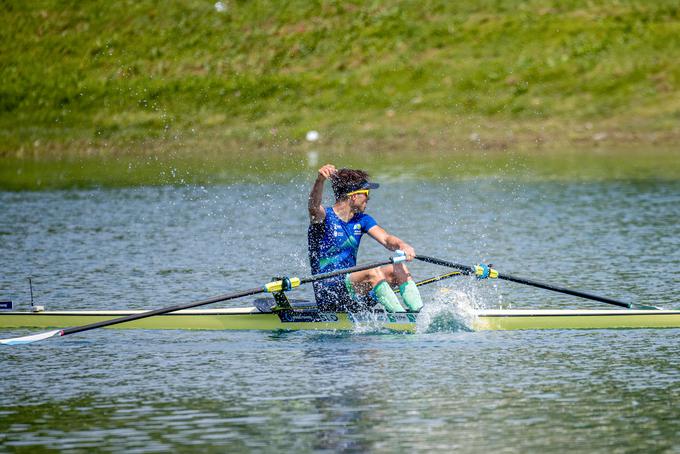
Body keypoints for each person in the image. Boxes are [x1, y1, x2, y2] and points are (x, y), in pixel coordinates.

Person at [307, 164, 423, 313]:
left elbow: (387, 239)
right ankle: (402, 319)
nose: (368, 198)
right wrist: (320, 181)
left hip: (352, 292)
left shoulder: (362, 220)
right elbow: (313, 207)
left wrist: (403, 246)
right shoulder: (324, 217)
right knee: (372, 272)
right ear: (354, 196)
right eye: (366, 193)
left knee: (399, 268)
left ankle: (420, 314)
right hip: (329, 294)